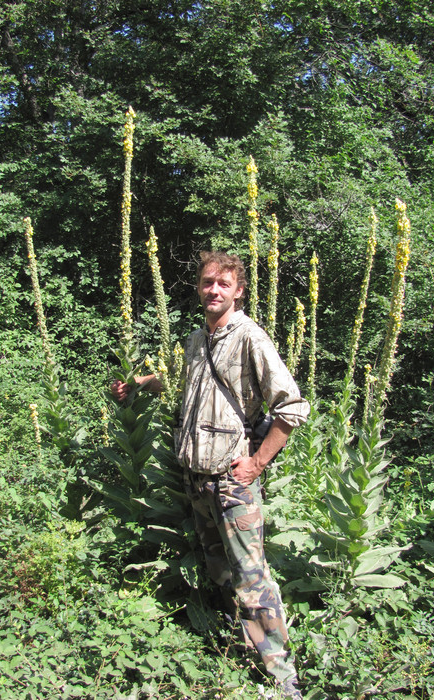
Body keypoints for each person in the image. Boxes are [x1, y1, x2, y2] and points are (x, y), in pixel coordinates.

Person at [112, 251, 310, 699]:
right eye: (207, 283)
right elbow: (186, 389)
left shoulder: (250, 337)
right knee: (219, 569)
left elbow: (292, 407)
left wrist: (256, 463)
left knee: (252, 578)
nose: (214, 290)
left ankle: (283, 680)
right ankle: (236, 646)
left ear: (239, 291)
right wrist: (139, 385)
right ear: (199, 288)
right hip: (197, 479)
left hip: (231, 481)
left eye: (223, 284)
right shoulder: (197, 339)